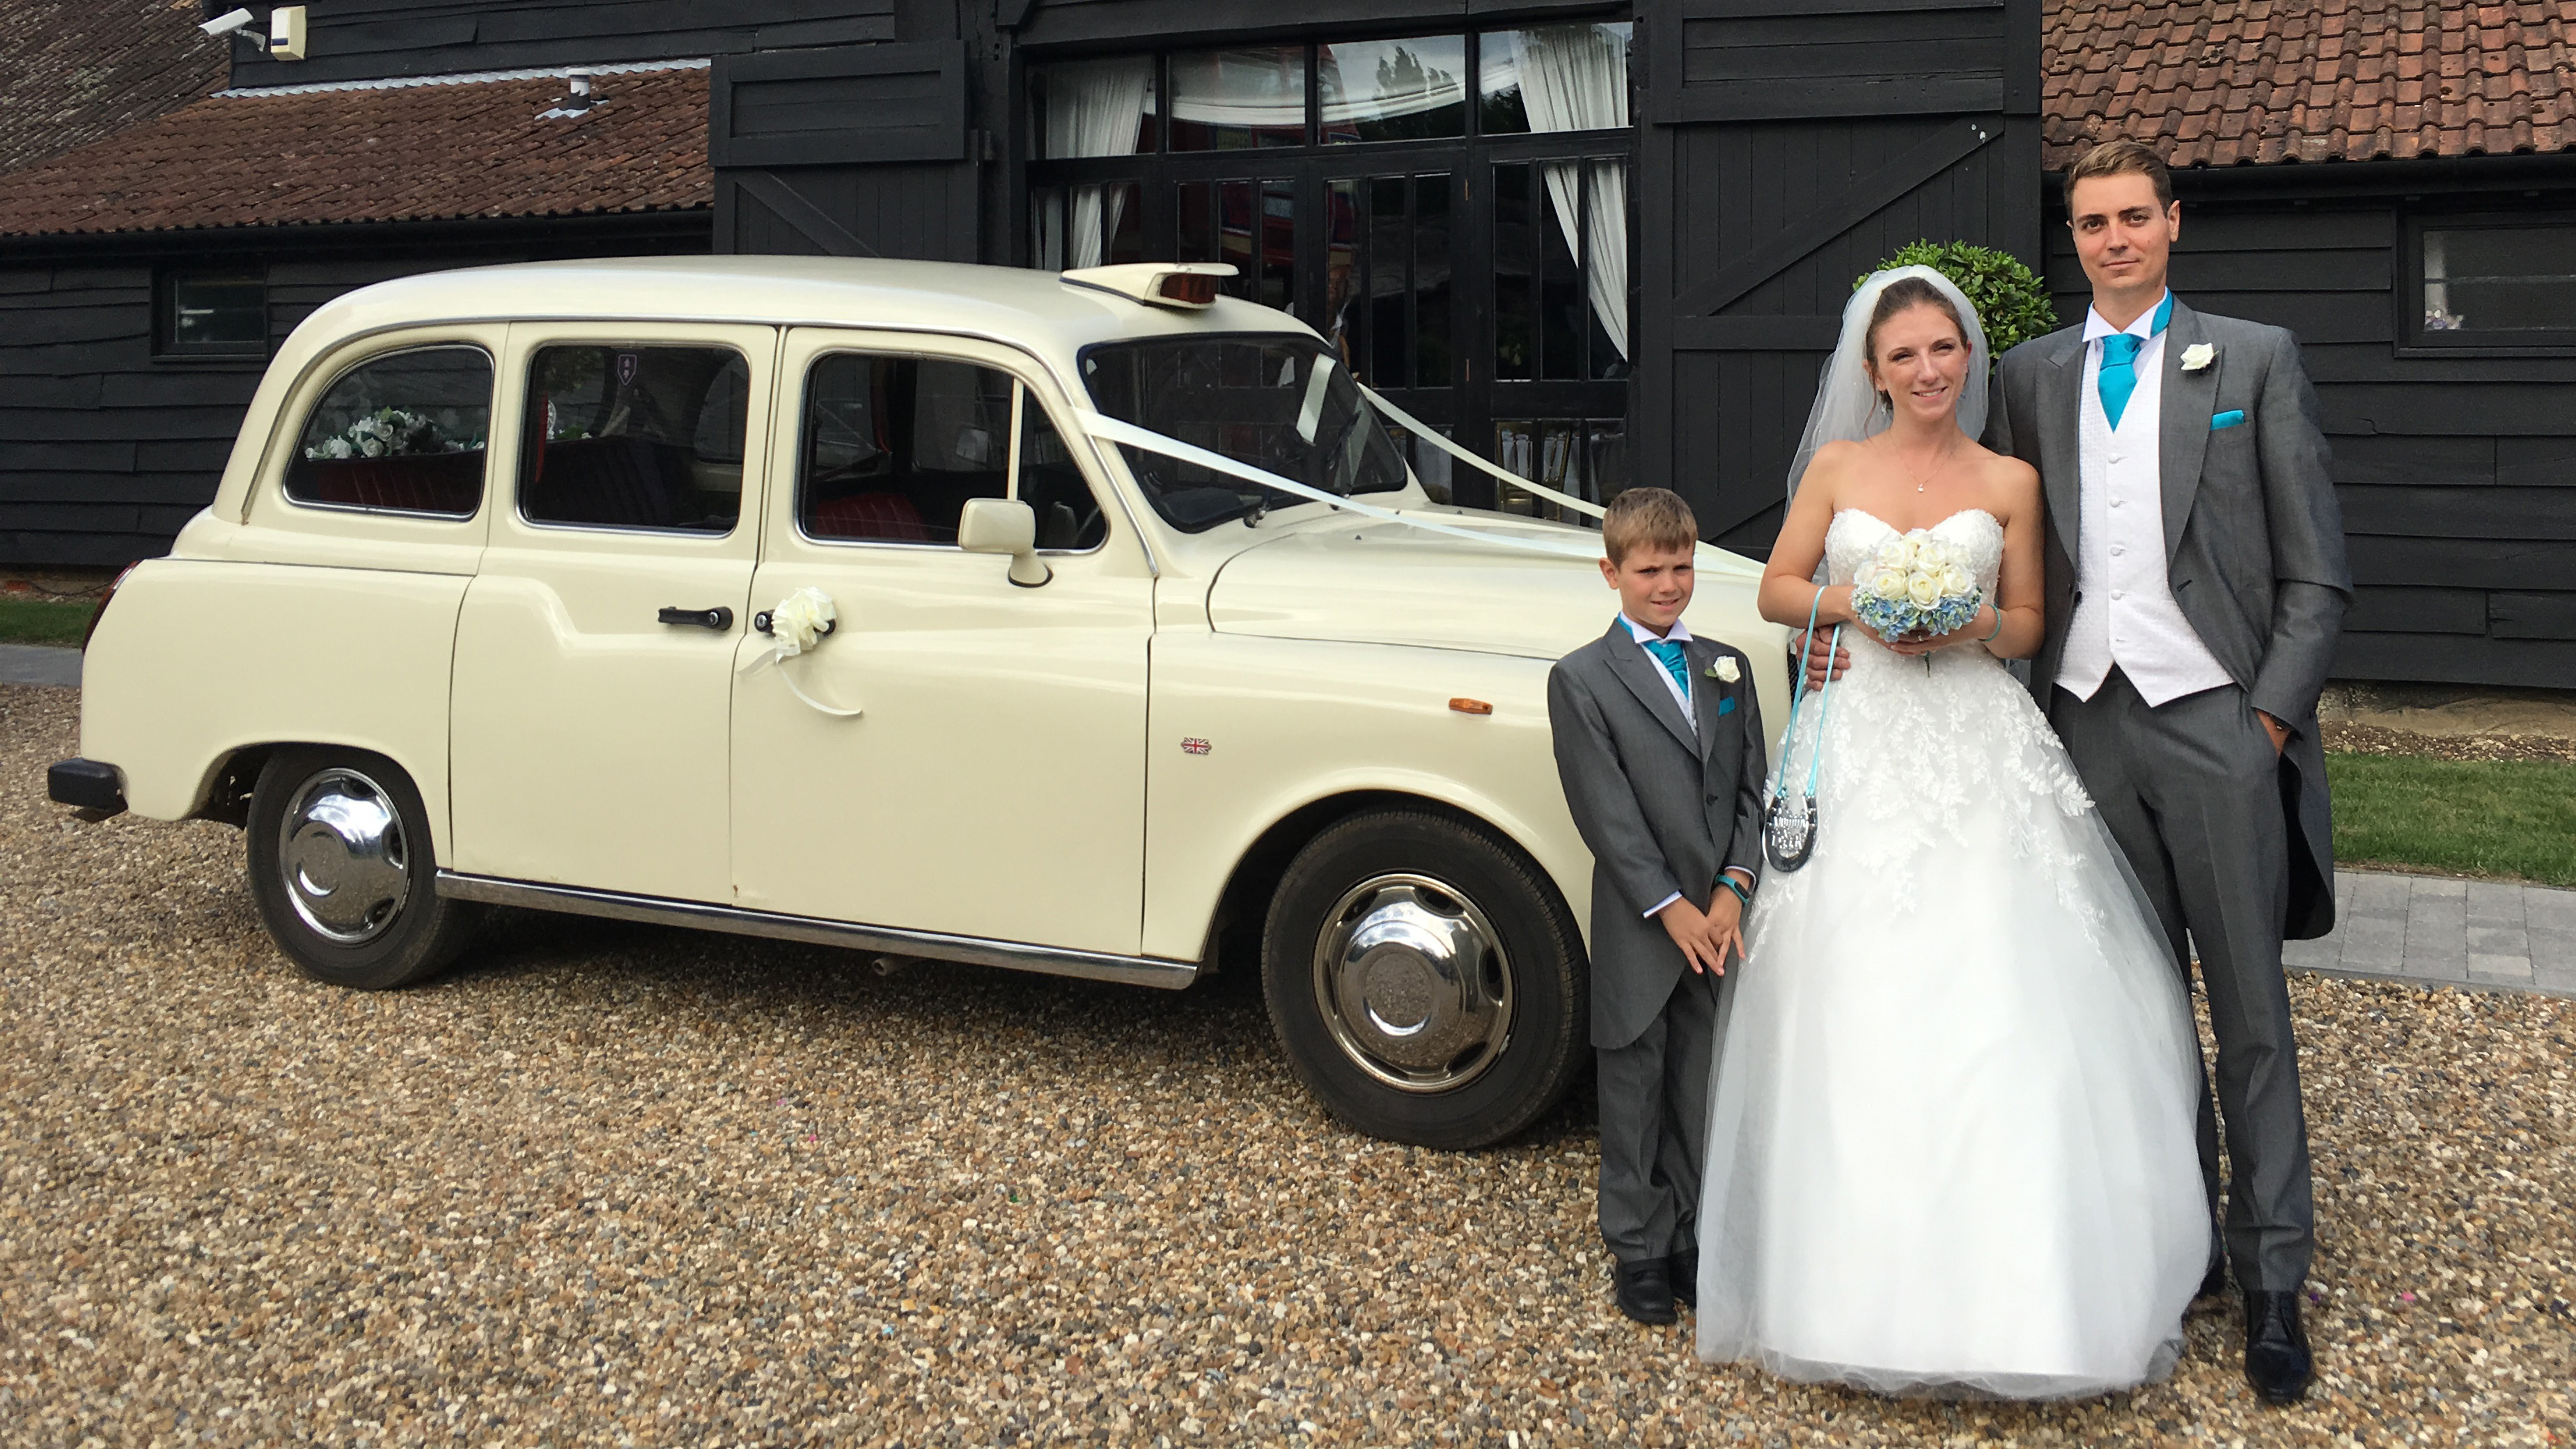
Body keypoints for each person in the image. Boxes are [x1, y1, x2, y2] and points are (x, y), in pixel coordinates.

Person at [1694, 267, 2211, 1397]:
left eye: (1942, 350)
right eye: (1903, 356)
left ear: (1964, 358)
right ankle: (1842, 1297)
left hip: (1974, 736)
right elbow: (1780, 588)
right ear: (1869, 373)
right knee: (1856, 996)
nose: (1927, 370)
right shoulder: (1835, 470)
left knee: (1995, 990)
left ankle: (2027, 1306)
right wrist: (1861, 605)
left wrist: (1966, 619)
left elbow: (2027, 619)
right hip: (1863, 734)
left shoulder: (2010, 481)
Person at [1984, 138, 2351, 1404]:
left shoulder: (2252, 358)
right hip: (2083, 720)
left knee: (2248, 1014)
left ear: (2172, 223)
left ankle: (2268, 1278)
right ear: (2071, 238)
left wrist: (2263, 725)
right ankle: (2169, 1243)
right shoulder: (2026, 376)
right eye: (2089, 222)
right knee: (2130, 1014)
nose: (2111, 239)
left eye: (2132, 216)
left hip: (2213, 720)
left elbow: (2314, 572)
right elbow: (1986, 535)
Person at [1547, 487, 1770, 1327]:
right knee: (1636, 1079)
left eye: (1681, 566)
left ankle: (1690, 1235)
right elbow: (1606, 812)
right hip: (1647, 918)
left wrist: (1730, 890)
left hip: (1718, 920)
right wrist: (1672, 905)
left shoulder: (1727, 665)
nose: (1669, 584)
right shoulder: (1581, 678)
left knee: (1698, 1080)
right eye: (1649, 570)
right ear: (1612, 572)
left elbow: (1751, 788)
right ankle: (1637, 1242)